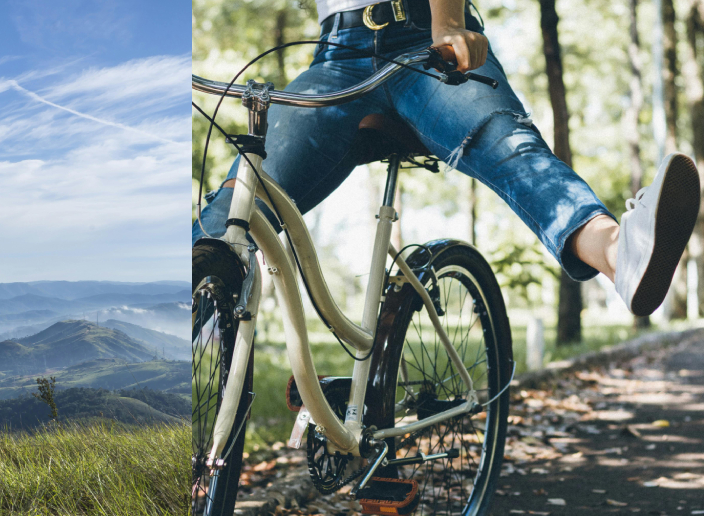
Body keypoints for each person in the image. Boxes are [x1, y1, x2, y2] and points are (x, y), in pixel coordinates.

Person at [193, 0, 701, 317]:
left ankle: (618, 253)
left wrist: (448, 21)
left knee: (507, 145)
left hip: (424, 36)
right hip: (335, 55)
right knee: (230, 216)